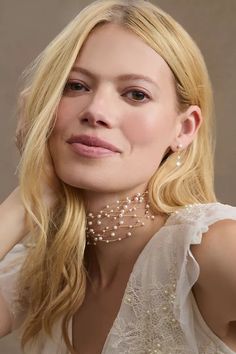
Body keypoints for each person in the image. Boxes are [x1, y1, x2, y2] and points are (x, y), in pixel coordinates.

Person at [0, 0, 236, 353]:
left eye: (136, 94)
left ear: (184, 129)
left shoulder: (210, 249)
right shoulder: (45, 272)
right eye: (76, 86)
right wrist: (30, 195)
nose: (96, 111)